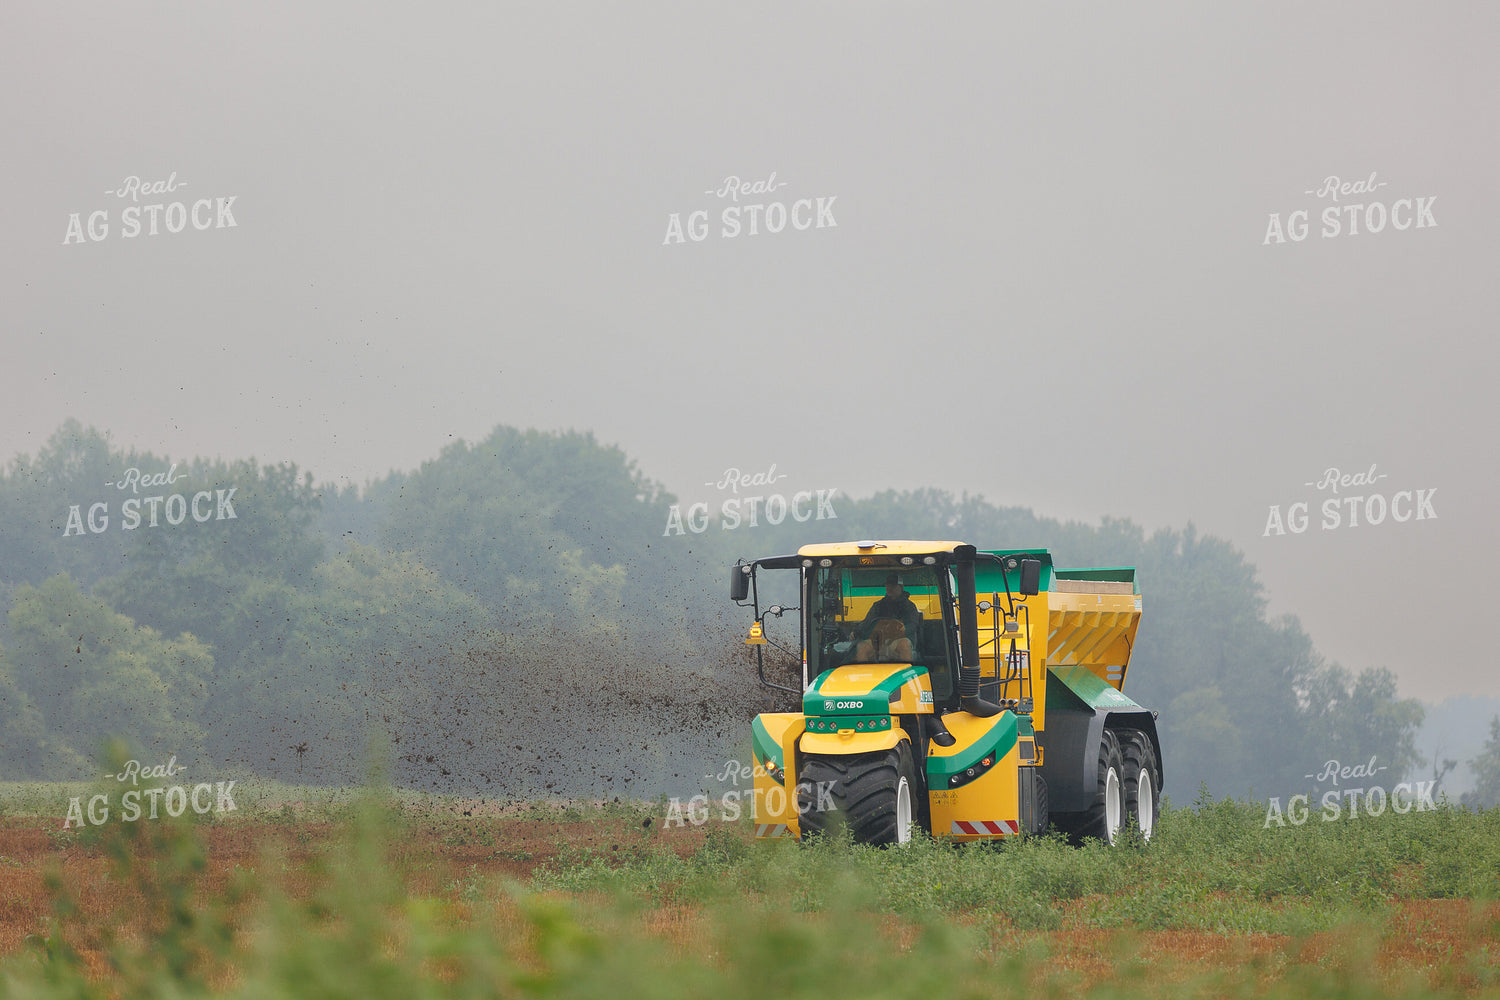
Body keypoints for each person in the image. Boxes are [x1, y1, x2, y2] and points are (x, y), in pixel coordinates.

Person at [853, 572, 924, 662]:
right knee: (862, 647)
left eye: (893, 586)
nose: (889, 588)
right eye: (888, 585)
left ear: (901, 587)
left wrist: (904, 629)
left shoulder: (909, 606)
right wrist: (856, 631)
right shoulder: (878, 605)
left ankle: (906, 672)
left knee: (904, 645)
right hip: (878, 640)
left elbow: (913, 624)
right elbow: (867, 621)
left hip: (898, 639)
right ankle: (863, 673)